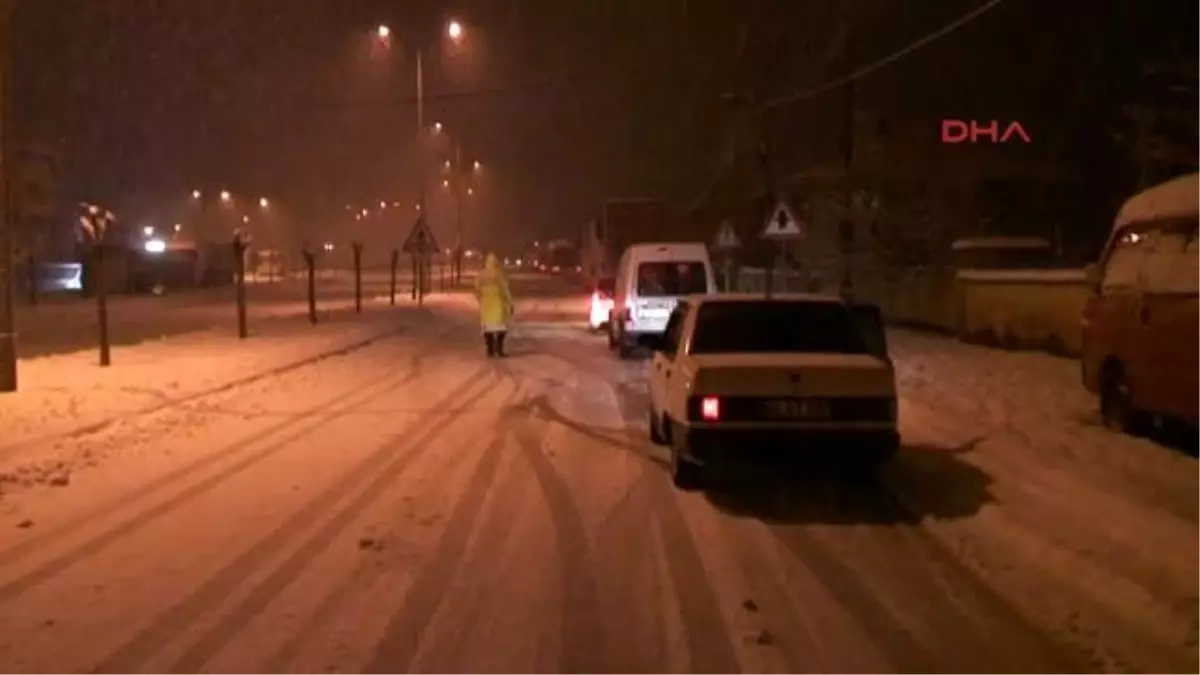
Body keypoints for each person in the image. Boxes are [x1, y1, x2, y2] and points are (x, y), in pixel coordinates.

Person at [473, 252, 514, 357]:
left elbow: (476, 290)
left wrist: (480, 300)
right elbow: (505, 289)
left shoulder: (481, 275)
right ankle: (499, 350)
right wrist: (510, 303)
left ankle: (490, 350)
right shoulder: (498, 274)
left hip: (486, 304)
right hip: (498, 303)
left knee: (488, 329)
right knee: (501, 328)